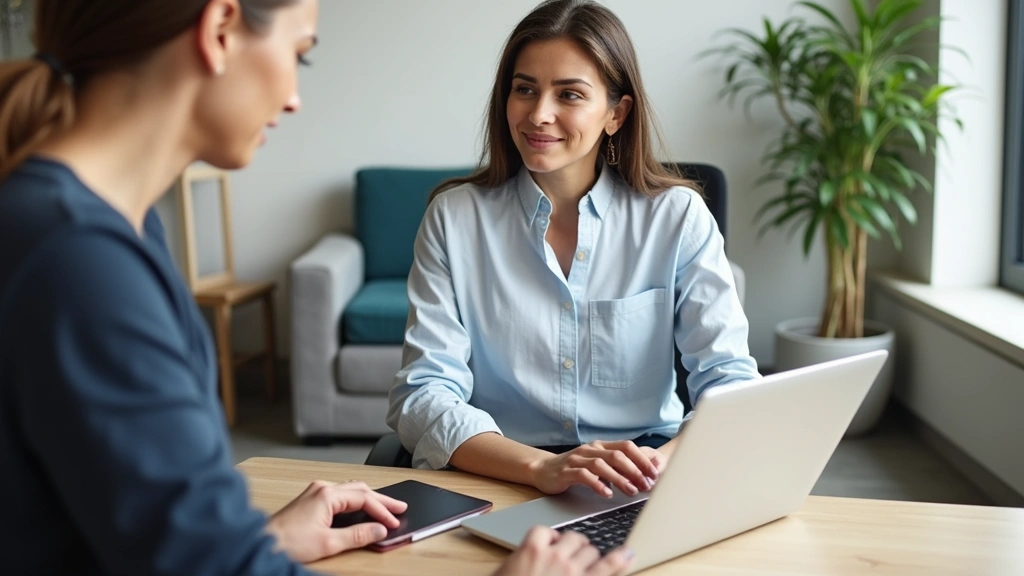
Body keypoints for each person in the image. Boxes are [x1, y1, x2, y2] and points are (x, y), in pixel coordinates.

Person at [0, 1, 632, 575]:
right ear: (220, 30)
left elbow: (152, 537)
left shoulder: (100, 230)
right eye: (300, 54)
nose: (296, 96)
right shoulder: (83, 262)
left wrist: (260, 544)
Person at [388, 0, 760, 499]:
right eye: (525, 89)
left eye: (569, 94)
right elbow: (423, 392)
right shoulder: (454, 219)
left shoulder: (676, 217)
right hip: (502, 466)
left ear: (615, 113)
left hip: (642, 467)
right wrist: (542, 469)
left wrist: (660, 465)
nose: (539, 114)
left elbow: (730, 381)